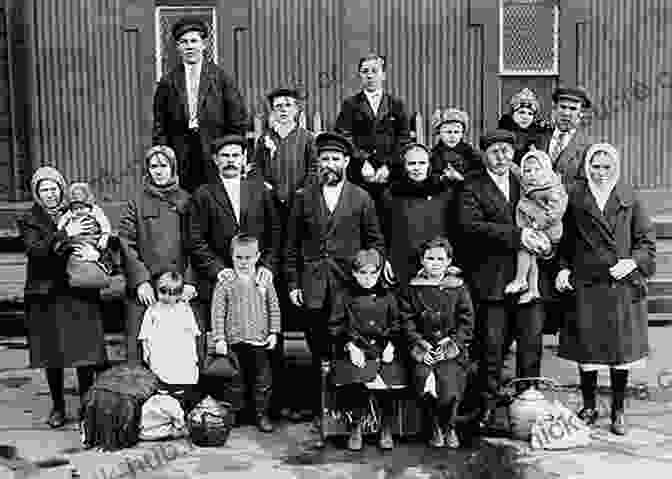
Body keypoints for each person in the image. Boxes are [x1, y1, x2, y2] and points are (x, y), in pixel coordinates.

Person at [284, 131, 386, 447]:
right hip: (313, 285)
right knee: (318, 351)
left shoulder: (361, 197)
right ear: (318, 163)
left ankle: (351, 416)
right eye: (324, 159)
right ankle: (323, 413)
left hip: (347, 285)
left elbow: (375, 242)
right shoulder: (303, 197)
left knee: (347, 346)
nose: (330, 163)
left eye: (335, 158)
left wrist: (370, 276)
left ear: (346, 162)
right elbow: (290, 245)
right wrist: (292, 282)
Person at [555, 143, 655, 436]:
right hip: (587, 283)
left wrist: (632, 262)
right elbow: (565, 240)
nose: (600, 173)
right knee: (588, 350)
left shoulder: (629, 197)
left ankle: (618, 409)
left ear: (616, 167)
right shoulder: (574, 197)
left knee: (619, 351)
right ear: (587, 167)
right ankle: (588, 406)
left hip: (619, 284)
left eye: (606, 167)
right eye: (595, 166)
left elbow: (646, 241)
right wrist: (562, 268)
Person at [457, 130, 552, 429]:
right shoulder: (471, 186)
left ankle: (528, 409)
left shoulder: (526, 180)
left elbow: (551, 217)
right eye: (495, 151)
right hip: (492, 281)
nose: (502, 157)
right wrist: (517, 235)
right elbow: (469, 227)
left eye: (507, 150)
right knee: (492, 349)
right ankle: (488, 409)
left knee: (530, 346)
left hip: (531, 283)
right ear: (484, 154)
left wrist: (547, 245)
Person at [17, 167, 107, 428]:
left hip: (77, 287)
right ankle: (57, 406)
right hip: (46, 291)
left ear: (61, 189)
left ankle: (86, 404)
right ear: (36, 193)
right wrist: (66, 234)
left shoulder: (78, 210)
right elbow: (37, 251)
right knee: (51, 352)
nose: (49, 194)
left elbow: (99, 235)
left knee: (84, 350)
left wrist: (96, 254)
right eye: (43, 189)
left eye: (54, 188)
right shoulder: (29, 219)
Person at [188, 134, 281, 337]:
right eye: (225, 155)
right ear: (215, 159)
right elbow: (195, 239)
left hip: (257, 279)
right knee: (226, 342)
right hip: (222, 279)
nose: (231, 160)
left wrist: (266, 266)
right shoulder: (203, 194)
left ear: (244, 157)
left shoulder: (261, 191)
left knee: (263, 340)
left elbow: (275, 233)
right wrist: (217, 269)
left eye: (236, 155)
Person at [152, 17, 249, 193]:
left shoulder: (221, 79)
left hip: (213, 153)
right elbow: (160, 125)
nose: (189, 46)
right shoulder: (168, 82)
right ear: (178, 47)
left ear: (204, 44)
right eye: (184, 42)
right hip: (180, 154)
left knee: (215, 202)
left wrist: (232, 155)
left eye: (194, 41)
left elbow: (237, 120)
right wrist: (165, 157)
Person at [118, 145, 193, 362]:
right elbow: (126, 242)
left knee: (179, 348)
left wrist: (189, 282)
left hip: (177, 288)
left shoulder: (187, 201)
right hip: (147, 288)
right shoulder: (136, 202)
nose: (158, 171)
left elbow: (196, 244)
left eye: (164, 166)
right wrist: (140, 281)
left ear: (173, 168)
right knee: (141, 348)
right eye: (153, 166)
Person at [400, 237, 475, 448]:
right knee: (424, 378)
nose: (435, 263)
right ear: (422, 261)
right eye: (430, 258)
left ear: (449, 261)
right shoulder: (413, 289)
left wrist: (453, 343)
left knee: (450, 382)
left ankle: (449, 426)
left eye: (440, 259)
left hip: (450, 350)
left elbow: (467, 322)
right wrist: (419, 343)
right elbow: (406, 321)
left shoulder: (458, 288)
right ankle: (433, 426)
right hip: (424, 350)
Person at [328, 249, 406, 451]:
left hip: (382, 349)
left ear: (380, 272)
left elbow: (397, 324)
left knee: (390, 380)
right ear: (354, 273)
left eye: (373, 273)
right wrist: (350, 345)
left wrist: (391, 344)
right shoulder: (344, 295)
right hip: (356, 349)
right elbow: (335, 326)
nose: (368, 279)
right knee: (356, 382)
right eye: (362, 273)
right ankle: (355, 426)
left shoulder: (388, 296)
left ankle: (386, 427)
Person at [209, 234, 281, 432]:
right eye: (238, 258)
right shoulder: (226, 281)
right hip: (234, 340)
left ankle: (261, 414)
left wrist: (274, 332)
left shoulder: (264, 280)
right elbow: (217, 311)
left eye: (248, 258)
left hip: (259, 340)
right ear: (231, 256)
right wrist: (220, 338)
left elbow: (274, 307)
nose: (243, 262)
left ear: (257, 256)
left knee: (262, 380)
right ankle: (235, 413)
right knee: (234, 380)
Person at [335, 53, 411, 205]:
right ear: (360, 76)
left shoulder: (396, 104)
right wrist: (363, 161)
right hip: (359, 173)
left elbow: (403, 138)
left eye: (374, 71)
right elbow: (344, 136)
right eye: (365, 71)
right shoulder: (350, 104)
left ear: (383, 75)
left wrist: (388, 165)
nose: (369, 75)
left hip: (389, 175)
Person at [380, 143, 456, 288]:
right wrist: (385, 259)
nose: (417, 168)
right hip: (402, 261)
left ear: (429, 165)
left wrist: (451, 260)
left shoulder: (443, 191)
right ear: (404, 166)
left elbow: (453, 228)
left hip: (436, 263)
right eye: (412, 163)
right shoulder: (391, 193)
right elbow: (383, 229)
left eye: (422, 163)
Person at [504, 150, 568, 303]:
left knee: (525, 249)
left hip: (547, 229)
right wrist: (508, 161)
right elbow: (518, 172)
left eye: (537, 170)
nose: (532, 174)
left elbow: (556, 211)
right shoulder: (528, 182)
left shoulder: (553, 187)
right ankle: (533, 290)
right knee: (531, 258)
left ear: (546, 169)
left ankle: (520, 280)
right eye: (528, 170)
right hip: (533, 225)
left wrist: (540, 224)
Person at [138, 270, 201, 411]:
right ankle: (163, 413)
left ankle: (180, 411)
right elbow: (145, 334)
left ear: (179, 294)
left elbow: (192, 333)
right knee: (162, 385)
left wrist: (192, 355)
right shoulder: (153, 310)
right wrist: (146, 351)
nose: (167, 297)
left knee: (180, 384)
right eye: (163, 292)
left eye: (172, 294)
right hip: (160, 352)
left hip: (179, 353)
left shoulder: (185, 309)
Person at [536, 86, 594, 185]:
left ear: (581, 113)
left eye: (573, 109)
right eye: (563, 107)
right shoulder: (539, 137)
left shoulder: (587, 146)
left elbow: (585, 184)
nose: (566, 113)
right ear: (554, 109)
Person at [497, 88, 551, 165]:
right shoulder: (502, 134)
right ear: (512, 114)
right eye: (521, 112)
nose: (525, 117)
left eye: (530, 114)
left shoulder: (539, 135)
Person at [430, 108, 482, 181]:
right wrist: (441, 178)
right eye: (448, 132)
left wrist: (462, 177)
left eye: (456, 132)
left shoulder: (472, 155)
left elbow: (479, 177)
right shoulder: (432, 155)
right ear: (439, 133)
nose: (452, 136)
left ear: (462, 134)